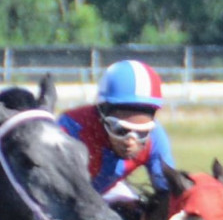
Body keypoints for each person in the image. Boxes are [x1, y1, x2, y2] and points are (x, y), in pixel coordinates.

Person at [58, 59, 176, 203]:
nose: (130, 141)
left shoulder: (156, 137)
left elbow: (169, 197)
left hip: (106, 192)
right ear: (102, 113)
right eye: (121, 130)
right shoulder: (69, 130)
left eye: (141, 132)